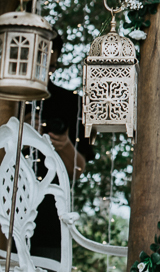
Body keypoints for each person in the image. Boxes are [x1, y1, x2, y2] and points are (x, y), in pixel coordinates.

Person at [26, 33, 94, 261]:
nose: (46, 72)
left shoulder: (70, 103)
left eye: (52, 66)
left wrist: (63, 145)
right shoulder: (6, 99)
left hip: (47, 223)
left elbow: (78, 170)